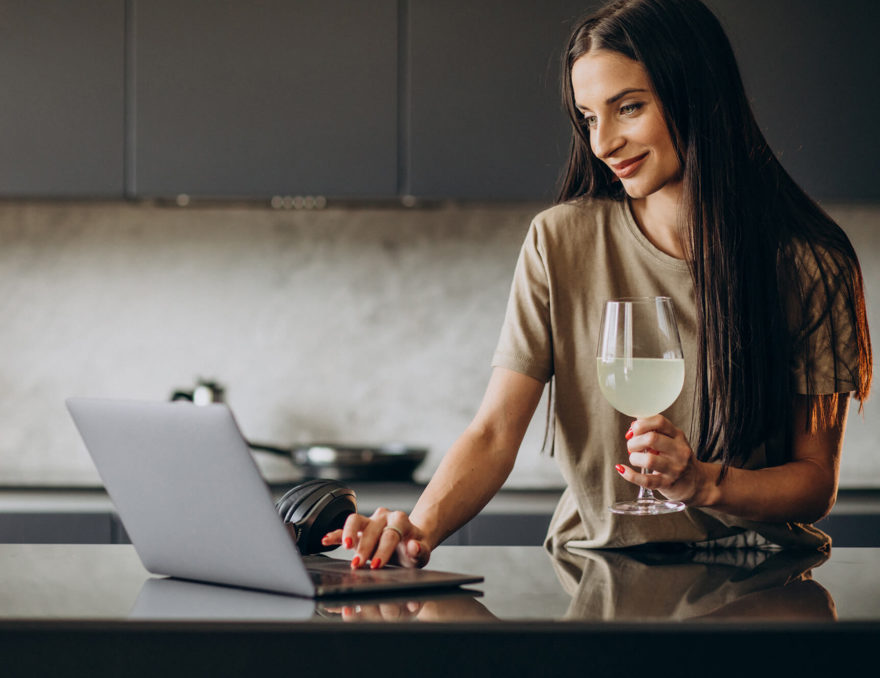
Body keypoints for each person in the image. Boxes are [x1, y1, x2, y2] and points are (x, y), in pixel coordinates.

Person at [322, 0, 872, 568]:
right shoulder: (559, 243)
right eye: (588, 117)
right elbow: (493, 434)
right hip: (598, 569)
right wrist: (416, 530)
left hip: (761, 576)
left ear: (700, 97)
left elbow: (814, 483)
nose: (602, 143)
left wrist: (705, 484)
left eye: (628, 108)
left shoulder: (810, 264)